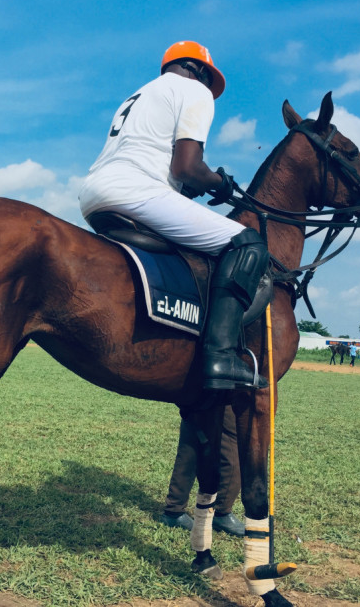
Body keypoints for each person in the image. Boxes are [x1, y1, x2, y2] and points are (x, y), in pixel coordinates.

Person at [79, 40, 270, 391]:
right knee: (248, 244)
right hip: (134, 192)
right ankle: (221, 358)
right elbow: (186, 167)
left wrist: (190, 184)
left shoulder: (139, 94)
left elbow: (161, 161)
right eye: (209, 82)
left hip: (94, 195)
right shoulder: (194, 92)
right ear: (198, 71)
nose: (209, 92)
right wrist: (220, 183)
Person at [158, 407, 244, 536]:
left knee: (191, 436)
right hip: (223, 390)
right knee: (230, 437)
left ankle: (174, 510)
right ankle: (221, 512)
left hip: (195, 392)